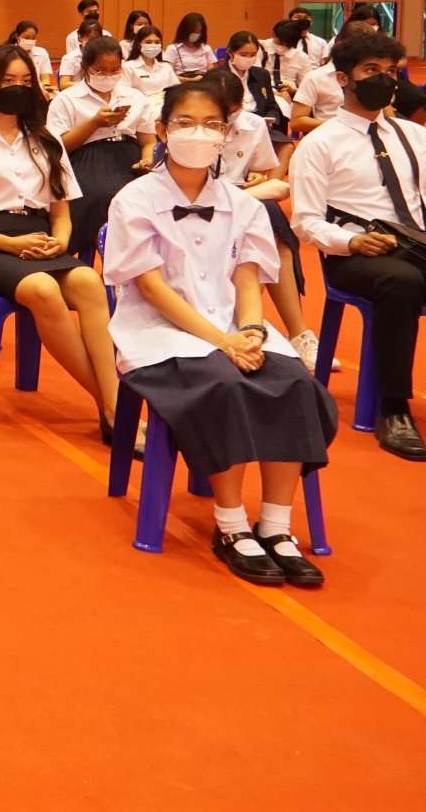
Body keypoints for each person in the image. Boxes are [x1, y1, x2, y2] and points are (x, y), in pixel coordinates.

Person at [103, 81, 339, 586]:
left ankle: (276, 525)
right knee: (224, 385)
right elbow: (151, 289)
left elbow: (248, 278)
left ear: (226, 134)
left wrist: (250, 330)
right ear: (162, 130)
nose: (199, 133)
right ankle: (231, 525)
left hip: (235, 325)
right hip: (161, 332)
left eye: (211, 124)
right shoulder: (133, 199)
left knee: (295, 384)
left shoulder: (243, 204)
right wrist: (222, 342)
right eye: (185, 123)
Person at [0, 45, 121, 437]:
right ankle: (114, 406)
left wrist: (61, 242)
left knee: (89, 281)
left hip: (39, 237)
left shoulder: (47, 140)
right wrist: (10, 245)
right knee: (42, 290)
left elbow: (61, 213)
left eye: (24, 80)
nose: (17, 88)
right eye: (7, 80)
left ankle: (114, 406)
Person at [288, 33, 426, 460]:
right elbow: (305, 221)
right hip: (356, 255)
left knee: (409, 273)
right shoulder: (320, 144)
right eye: (372, 71)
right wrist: (352, 240)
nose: (384, 80)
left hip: (416, 243)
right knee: (401, 281)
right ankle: (393, 408)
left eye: (390, 72)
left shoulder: (414, 135)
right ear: (343, 78)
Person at [199, 68, 319, 367]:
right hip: (198, 207)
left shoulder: (252, 125)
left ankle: (296, 333)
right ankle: (247, 324)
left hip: (242, 202)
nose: (227, 120)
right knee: (268, 213)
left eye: (233, 112)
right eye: (220, 113)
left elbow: (260, 170)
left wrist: (255, 177)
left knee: (268, 218)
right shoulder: (192, 128)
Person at [46, 35, 154, 264]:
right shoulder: (66, 99)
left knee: (152, 195)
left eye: (115, 70)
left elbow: (147, 140)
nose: (108, 76)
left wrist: (146, 159)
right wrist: (94, 123)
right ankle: (116, 264)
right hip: (85, 157)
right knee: (103, 196)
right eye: (100, 70)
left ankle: (146, 262)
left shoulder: (134, 96)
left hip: (128, 155)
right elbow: (58, 146)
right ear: (86, 67)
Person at [121, 25, 177, 101]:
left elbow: (176, 91)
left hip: (166, 105)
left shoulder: (166, 67)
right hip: (140, 105)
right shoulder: (128, 67)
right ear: (139, 45)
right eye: (148, 42)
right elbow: (124, 94)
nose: (153, 45)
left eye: (157, 42)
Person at [57, 19, 104, 89]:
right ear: (80, 37)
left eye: (97, 38)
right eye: (90, 38)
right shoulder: (69, 58)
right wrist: (88, 86)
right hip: (75, 93)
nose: (94, 42)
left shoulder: (103, 57)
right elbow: (63, 84)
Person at [7, 21, 55, 88]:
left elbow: (45, 78)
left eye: (33, 38)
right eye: (26, 38)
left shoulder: (42, 52)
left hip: (38, 88)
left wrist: (45, 87)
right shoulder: (8, 53)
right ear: (17, 36)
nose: (30, 41)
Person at [168, 12, 215, 80]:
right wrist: (191, 80)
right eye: (193, 31)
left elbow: (212, 73)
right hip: (182, 83)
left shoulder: (206, 48)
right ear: (185, 30)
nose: (195, 34)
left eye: (199, 32)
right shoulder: (173, 49)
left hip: (204, 82)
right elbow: (169, 75)